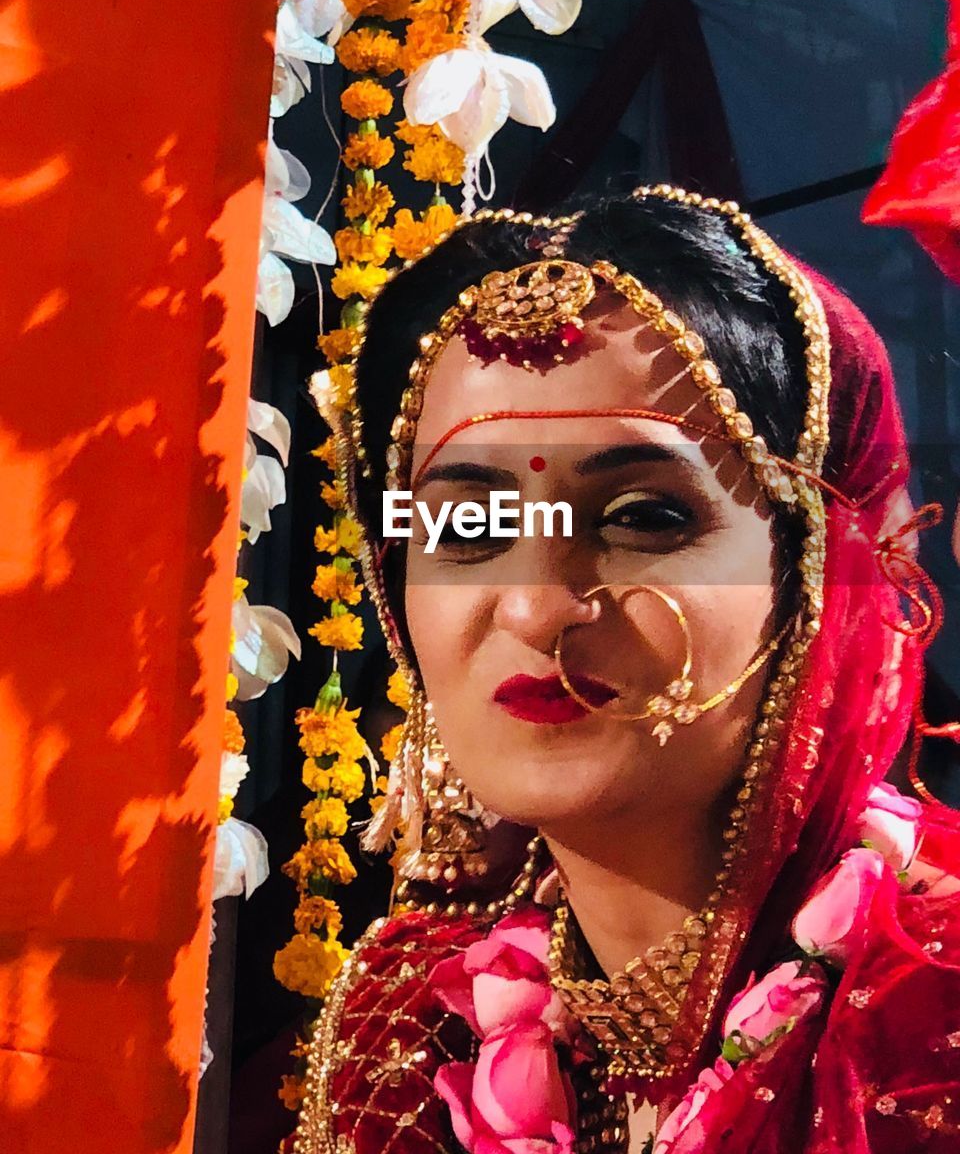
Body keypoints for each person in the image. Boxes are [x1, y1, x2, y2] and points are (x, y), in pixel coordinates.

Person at [294, 186, 960, 1154]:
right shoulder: (404, 1027)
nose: (532, 605)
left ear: (814, 567)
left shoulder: (927, 1015)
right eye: (465, 524)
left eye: (642, 517)